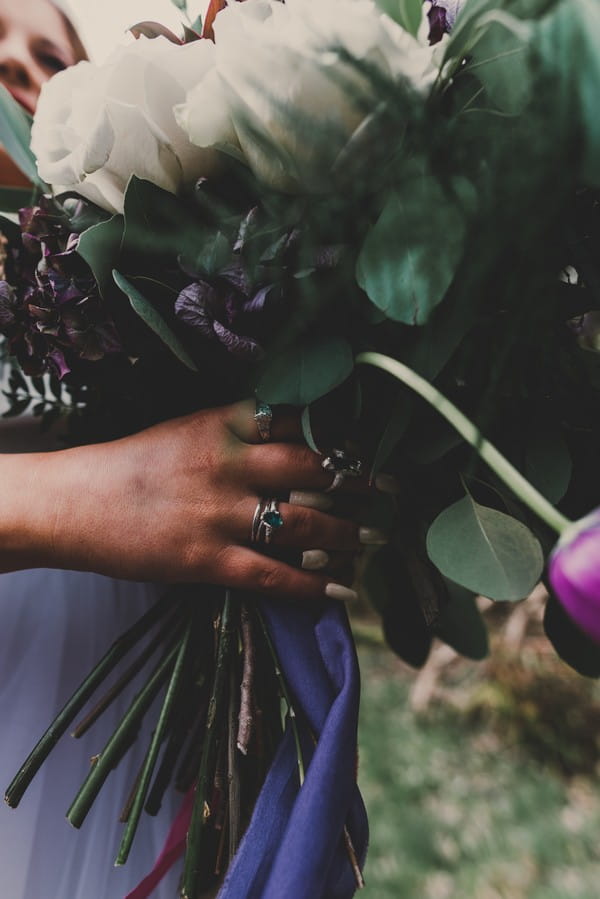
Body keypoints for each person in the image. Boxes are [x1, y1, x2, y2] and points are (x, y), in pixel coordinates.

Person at [0, 1, 380, 896]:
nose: (18, 60)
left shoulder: (101, 282)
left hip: (129, 700)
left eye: (44, 44)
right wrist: (84, 498)